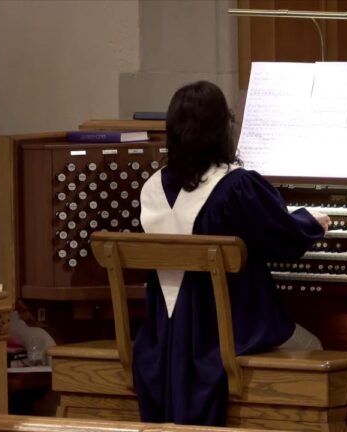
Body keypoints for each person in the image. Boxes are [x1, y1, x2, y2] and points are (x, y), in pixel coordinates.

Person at [135, 80, 329, 426]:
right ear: (221, 129)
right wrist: (314, 222)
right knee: (311, 345)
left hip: (159, 341)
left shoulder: (152, 187)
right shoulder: (234, 186)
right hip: (226, 337)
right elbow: (283, 236)